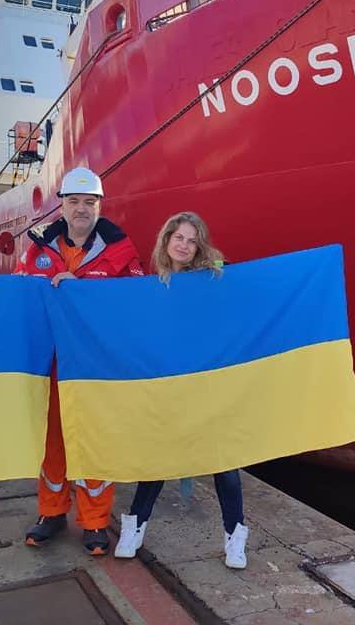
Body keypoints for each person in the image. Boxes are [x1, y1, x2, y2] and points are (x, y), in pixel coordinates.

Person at [17, 166, 143, 555]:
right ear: (62, 206)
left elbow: (134, 304)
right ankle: (51, 513)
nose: (81, 209)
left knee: (94, 441)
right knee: (51, 443)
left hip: (95, 368)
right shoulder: (37, 248)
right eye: (74, 201)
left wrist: (81, 290)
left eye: (89, 202)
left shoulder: (122, 250)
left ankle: (94, 521)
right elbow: (20, 299)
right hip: (50, 365)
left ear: (100, 206)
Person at [114, 212, 249, 569]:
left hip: (207, 385)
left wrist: (220, 268)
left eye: (192, 240)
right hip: (171, 385)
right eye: (179, 238)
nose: (185, 246)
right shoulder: (155, 283)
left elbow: (238, 289)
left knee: (223, 462)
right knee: (158, 456)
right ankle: (135, 526)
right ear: (167, 239)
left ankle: (235, 535)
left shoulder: (211, 276)